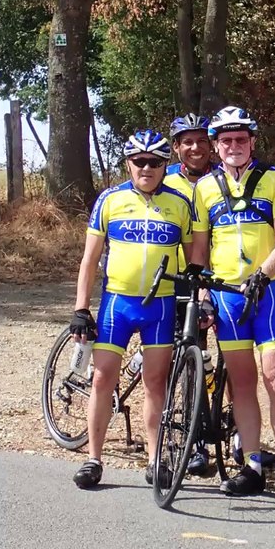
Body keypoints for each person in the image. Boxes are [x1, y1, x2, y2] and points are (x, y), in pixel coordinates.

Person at [70, 130, 196, 489]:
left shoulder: (179, 204)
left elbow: (194, 257)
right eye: (139, 161)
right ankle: (94, 459)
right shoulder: (110, 200)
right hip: (117, 303)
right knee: (101, 377)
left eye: (155, 162)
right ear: (128, 164)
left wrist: (196, 297)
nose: (147, 168)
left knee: (155, 383)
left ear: (165, 165)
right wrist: (81, 307)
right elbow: (89, 259)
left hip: (160, 304)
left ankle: (155, 460)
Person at [189, 105, 275, 502]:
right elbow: (199, 248)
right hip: (226, 294)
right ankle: (252, 464)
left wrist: (262, 274)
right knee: (241, 384)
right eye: (226, 140)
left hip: (267, 292)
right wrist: (202, 293)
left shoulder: (274, 178)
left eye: (241, 139)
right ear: (216, 147)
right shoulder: (203, 188)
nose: (234, 146)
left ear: (252, 141)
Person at [165, 112, 219, 477]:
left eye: (201, 140)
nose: (195, 147)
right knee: (185, 355)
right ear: (176, 147)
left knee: (225, 356)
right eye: (187, 141)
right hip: (175, 279)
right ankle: (192, 441)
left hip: (219, 277)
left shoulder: (221, 179)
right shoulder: (162, 178)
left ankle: (217, 434)